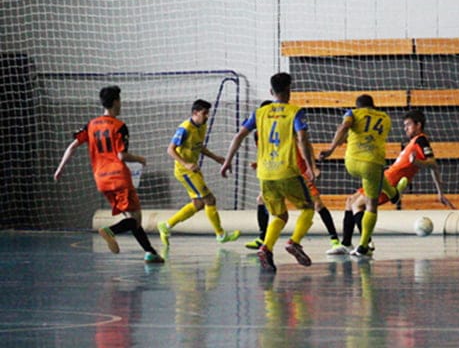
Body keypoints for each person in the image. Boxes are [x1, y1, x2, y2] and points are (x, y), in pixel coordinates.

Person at [53, 85, 164, 264]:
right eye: (119, 101)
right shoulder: (120, 126)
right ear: (115, 102)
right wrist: (140, 159)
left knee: (132, 218)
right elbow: (121, 155)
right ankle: (110, 231)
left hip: (101, 179)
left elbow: (73, 146)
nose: (121, 104)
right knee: (135, 220)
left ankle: (151, 252)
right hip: (119, 176)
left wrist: (60, 168)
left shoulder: (91, 125)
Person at [221, 72, 316, 273]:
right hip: (287, 171)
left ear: (271, 91)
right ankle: (295, 242)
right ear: (289, 90)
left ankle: (266, 247)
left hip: (265, 175)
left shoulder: (259, 113)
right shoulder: (294, 112)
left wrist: (228, 161)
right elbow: (303, 139)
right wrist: (309, 165)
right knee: (308, 208)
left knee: (280, 216)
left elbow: (239, 135)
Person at [330, 109, 454, 253]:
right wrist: (440, 193)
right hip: (383, 176)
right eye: (404, 125)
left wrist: (419, 163)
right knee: (350, 201)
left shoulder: (421, 140)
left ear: (418, 125)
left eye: (408, 125)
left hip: (391, 182)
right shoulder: (413, 142)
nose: (405, 128)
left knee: (358, 205)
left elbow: (433, 163)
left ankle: (367, 244)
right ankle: (346, 244)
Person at [244, 103, 346, 255]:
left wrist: (312, 166)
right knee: (261, 200)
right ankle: (263, 239)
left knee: (316, 204)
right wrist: (259, 163)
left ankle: (335, 240)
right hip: (277, 172)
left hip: (298, 171)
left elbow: (305, 143)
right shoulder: (259, 134)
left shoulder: (286, 127)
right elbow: (270, 152)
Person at [320, 94, 407, 258]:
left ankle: (393, 194)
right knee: (371, 205)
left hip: (352, 162)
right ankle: (364, 245)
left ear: (357, 106)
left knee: (360, 193)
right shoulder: (385, 118)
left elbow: (344, 127)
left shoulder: (352, 113)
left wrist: (331, 149)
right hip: (373, 163)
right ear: (373, 106)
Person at [157, 99, 241, 246]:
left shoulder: (202, 126)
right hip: (185, 171)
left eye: (208, 113)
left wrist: (216, 158)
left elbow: (199, 146)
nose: (207, 116)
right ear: (195, 113)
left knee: (198, 204)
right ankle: (220, 234)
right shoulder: (184, 128)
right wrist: (186, 164)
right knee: (210, 200)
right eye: (204, 113)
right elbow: (170, 149)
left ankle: (166, 226)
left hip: (193, 169)